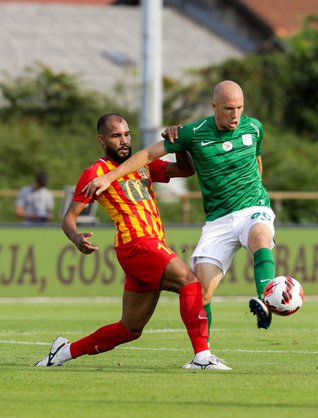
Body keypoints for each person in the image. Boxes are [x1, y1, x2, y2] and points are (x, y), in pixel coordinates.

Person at [35, 113, 229, 370]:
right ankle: (202, 357)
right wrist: (75, 237)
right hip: (137, 244)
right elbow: (69, 217)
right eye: (116, 136)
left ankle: (63, 352)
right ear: (102, 140)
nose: (124, 140)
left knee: (130, 328)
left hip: (148, 247)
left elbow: (186, 169)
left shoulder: (142, 164)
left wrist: (178, 144)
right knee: (190, 282)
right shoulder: (96, 172)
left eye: (127, 134)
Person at [82, 81, 277, 337]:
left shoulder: (254, 127)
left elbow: (257, 160)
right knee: (201, 290)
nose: (236, 115)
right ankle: (203, 354)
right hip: (218, 219)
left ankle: (267, 299)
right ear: (214, 106)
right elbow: (148, 155)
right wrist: (110, 177)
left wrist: (255, 193)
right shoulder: (193, 132)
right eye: (229, 108)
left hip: (253, 206)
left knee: (259, 238)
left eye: (240, 107)